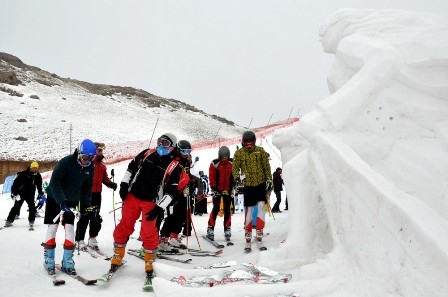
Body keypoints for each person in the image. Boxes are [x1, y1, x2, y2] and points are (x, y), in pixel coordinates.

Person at [110, 133, 188, 286]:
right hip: (133, 196)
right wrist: (124, 185)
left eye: (165, 143)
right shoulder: (147, 153)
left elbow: (172, 191)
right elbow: (131, 167)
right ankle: (117, 256)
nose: (161, 146)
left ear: (172, 146)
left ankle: (149, 262)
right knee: (124, 226)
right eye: (159, 142)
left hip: (151, 203)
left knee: (148, 232)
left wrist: (160, 208)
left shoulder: (174, 166)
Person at [42, 139, 96, 275]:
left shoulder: (90, 167)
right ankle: (49, 259)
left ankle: (67, 261)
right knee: (52, 227)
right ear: (79, 153)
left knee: (70, 229)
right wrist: (61, 201)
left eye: (91, 158)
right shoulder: (66, 163)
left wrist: (85, 204)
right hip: (55, 198)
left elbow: (87, 187)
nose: (87, 161)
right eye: (85, 157)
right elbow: (55, 183)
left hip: (72, 200)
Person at [232, 131, 272, 251]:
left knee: (260, 206)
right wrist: (237, 178)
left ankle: (259, 231)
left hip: (260, 183)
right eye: (246, 144)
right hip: (248, 185)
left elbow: (266, 166)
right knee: (249, 209)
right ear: (243, 143)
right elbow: (235, 167)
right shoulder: (239, 153)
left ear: (254, 142)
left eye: (251, 144)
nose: (249, 146)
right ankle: (248, 232)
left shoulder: (260, 151)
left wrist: (269, 180)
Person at [76, 142, 117, 250]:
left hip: (97, 195)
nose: (101, 153)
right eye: (99, 151)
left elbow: (105, 179)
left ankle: (92, 237)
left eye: (102, 151)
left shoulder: (102, 166)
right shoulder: (87, 163)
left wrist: (110, 184)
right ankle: (79, 239)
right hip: (85, 195)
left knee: (95, 216)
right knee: (85, 216)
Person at [159, 140, 193, 249]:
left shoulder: (186, 161)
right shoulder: (175, 160)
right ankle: (163, 239)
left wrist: (191, 180)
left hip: (184, 190)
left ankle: (174, 237)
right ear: (179, 150)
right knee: (171, 215)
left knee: (181, 214)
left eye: (188, 151)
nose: (186, 153)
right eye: (184, 151)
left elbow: (187, 174)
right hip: (174, 191)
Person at [206, 146, 234, 242]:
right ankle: (210, 228)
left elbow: (234, 176)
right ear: (220, 156)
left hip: (227, 190)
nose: (225, 158)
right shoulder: (215, 163)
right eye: (223, 156)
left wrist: (233, 186)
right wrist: (213, 188)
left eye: (226, 156)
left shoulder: (232, 163)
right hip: (217, 190)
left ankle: (227, 228)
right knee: (216, 208)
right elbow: (212, 176)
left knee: (227, 209)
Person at [5, 161, 44, 228]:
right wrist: (14, 192)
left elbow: (39, 185)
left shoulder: (38, 175)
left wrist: (40, 192)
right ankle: (9, 220)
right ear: (31, 167)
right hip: (21, 194)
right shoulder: (23, 174)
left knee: (32, 207)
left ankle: (31, 221)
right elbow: (15, 183)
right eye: (33, 168)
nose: (34, 169)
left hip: (30, 194)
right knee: (16, 207)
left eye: (36, 168)